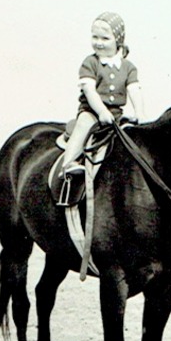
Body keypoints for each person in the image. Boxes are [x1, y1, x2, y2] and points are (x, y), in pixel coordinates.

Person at [58, 12, 146, 205]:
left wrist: (140, 113)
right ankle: (69, 164)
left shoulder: (128, 67)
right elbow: (89, 90)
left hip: (116, 115)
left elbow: (134, 90)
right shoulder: (91, 63)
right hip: (92, 112)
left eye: (105, 38)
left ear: (118, 40)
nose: (98, 43)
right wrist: (101, 112)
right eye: (95, 37)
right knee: (83, 126)